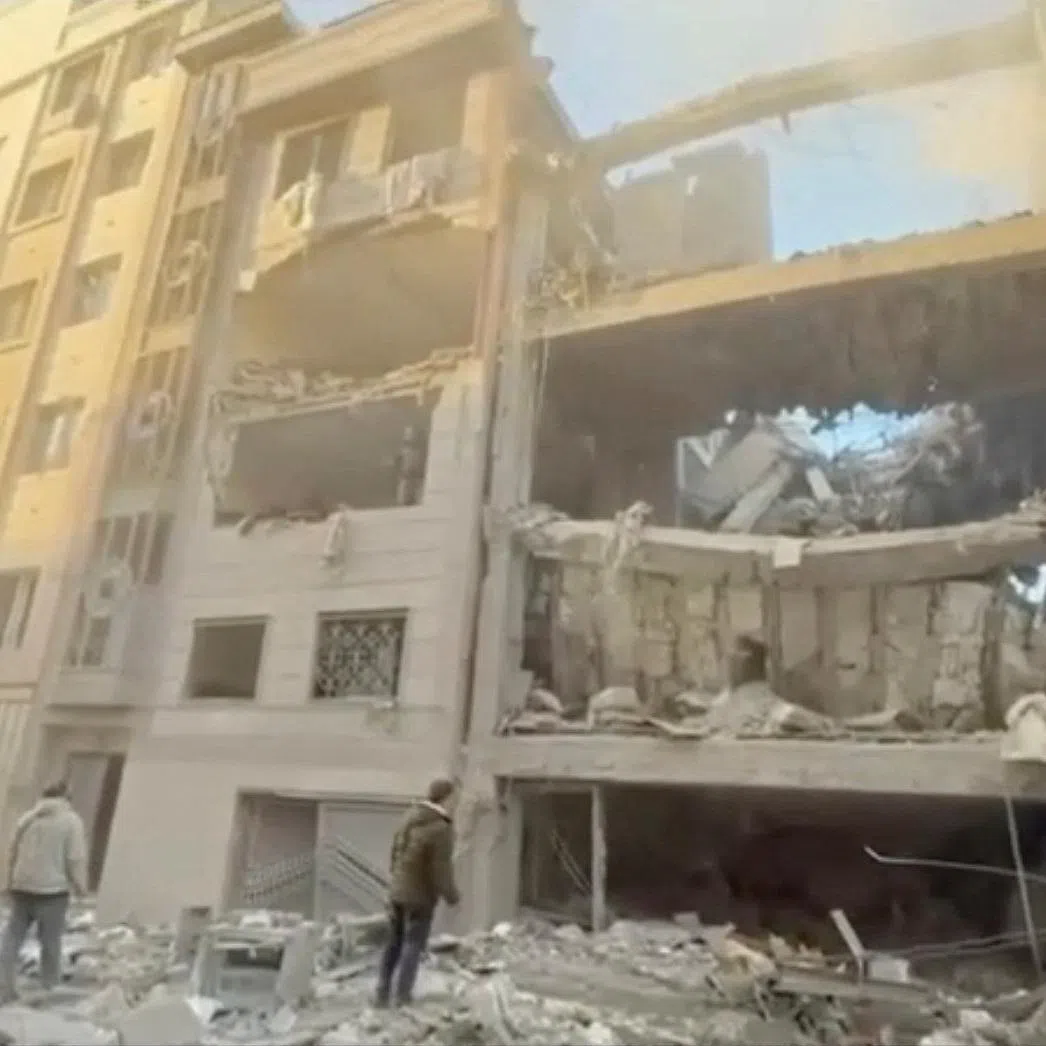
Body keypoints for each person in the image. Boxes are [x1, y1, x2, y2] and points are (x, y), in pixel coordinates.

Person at [375, 777, 460, 1008]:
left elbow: (394, 854)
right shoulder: (441, 829)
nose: (456, 803)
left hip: (397, 892)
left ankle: (381, 994)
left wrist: (395, 883)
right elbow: (440, 869)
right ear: (447, 797)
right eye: (455, 798)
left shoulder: (408, 818)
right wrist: (452, 896)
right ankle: (402, 996)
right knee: (413, 944)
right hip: (420, 896)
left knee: (393, 942)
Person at [0, 781, 88, 1002]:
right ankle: (50, 988)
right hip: (52, 891)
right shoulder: (71, 821)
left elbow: (12, 852)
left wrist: (9, 882)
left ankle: (4, 984)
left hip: (22, 887)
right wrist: (80, 887)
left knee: (13, 937)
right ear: (66, 797)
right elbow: (74, 857)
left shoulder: (27, 818)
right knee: (50, 941)